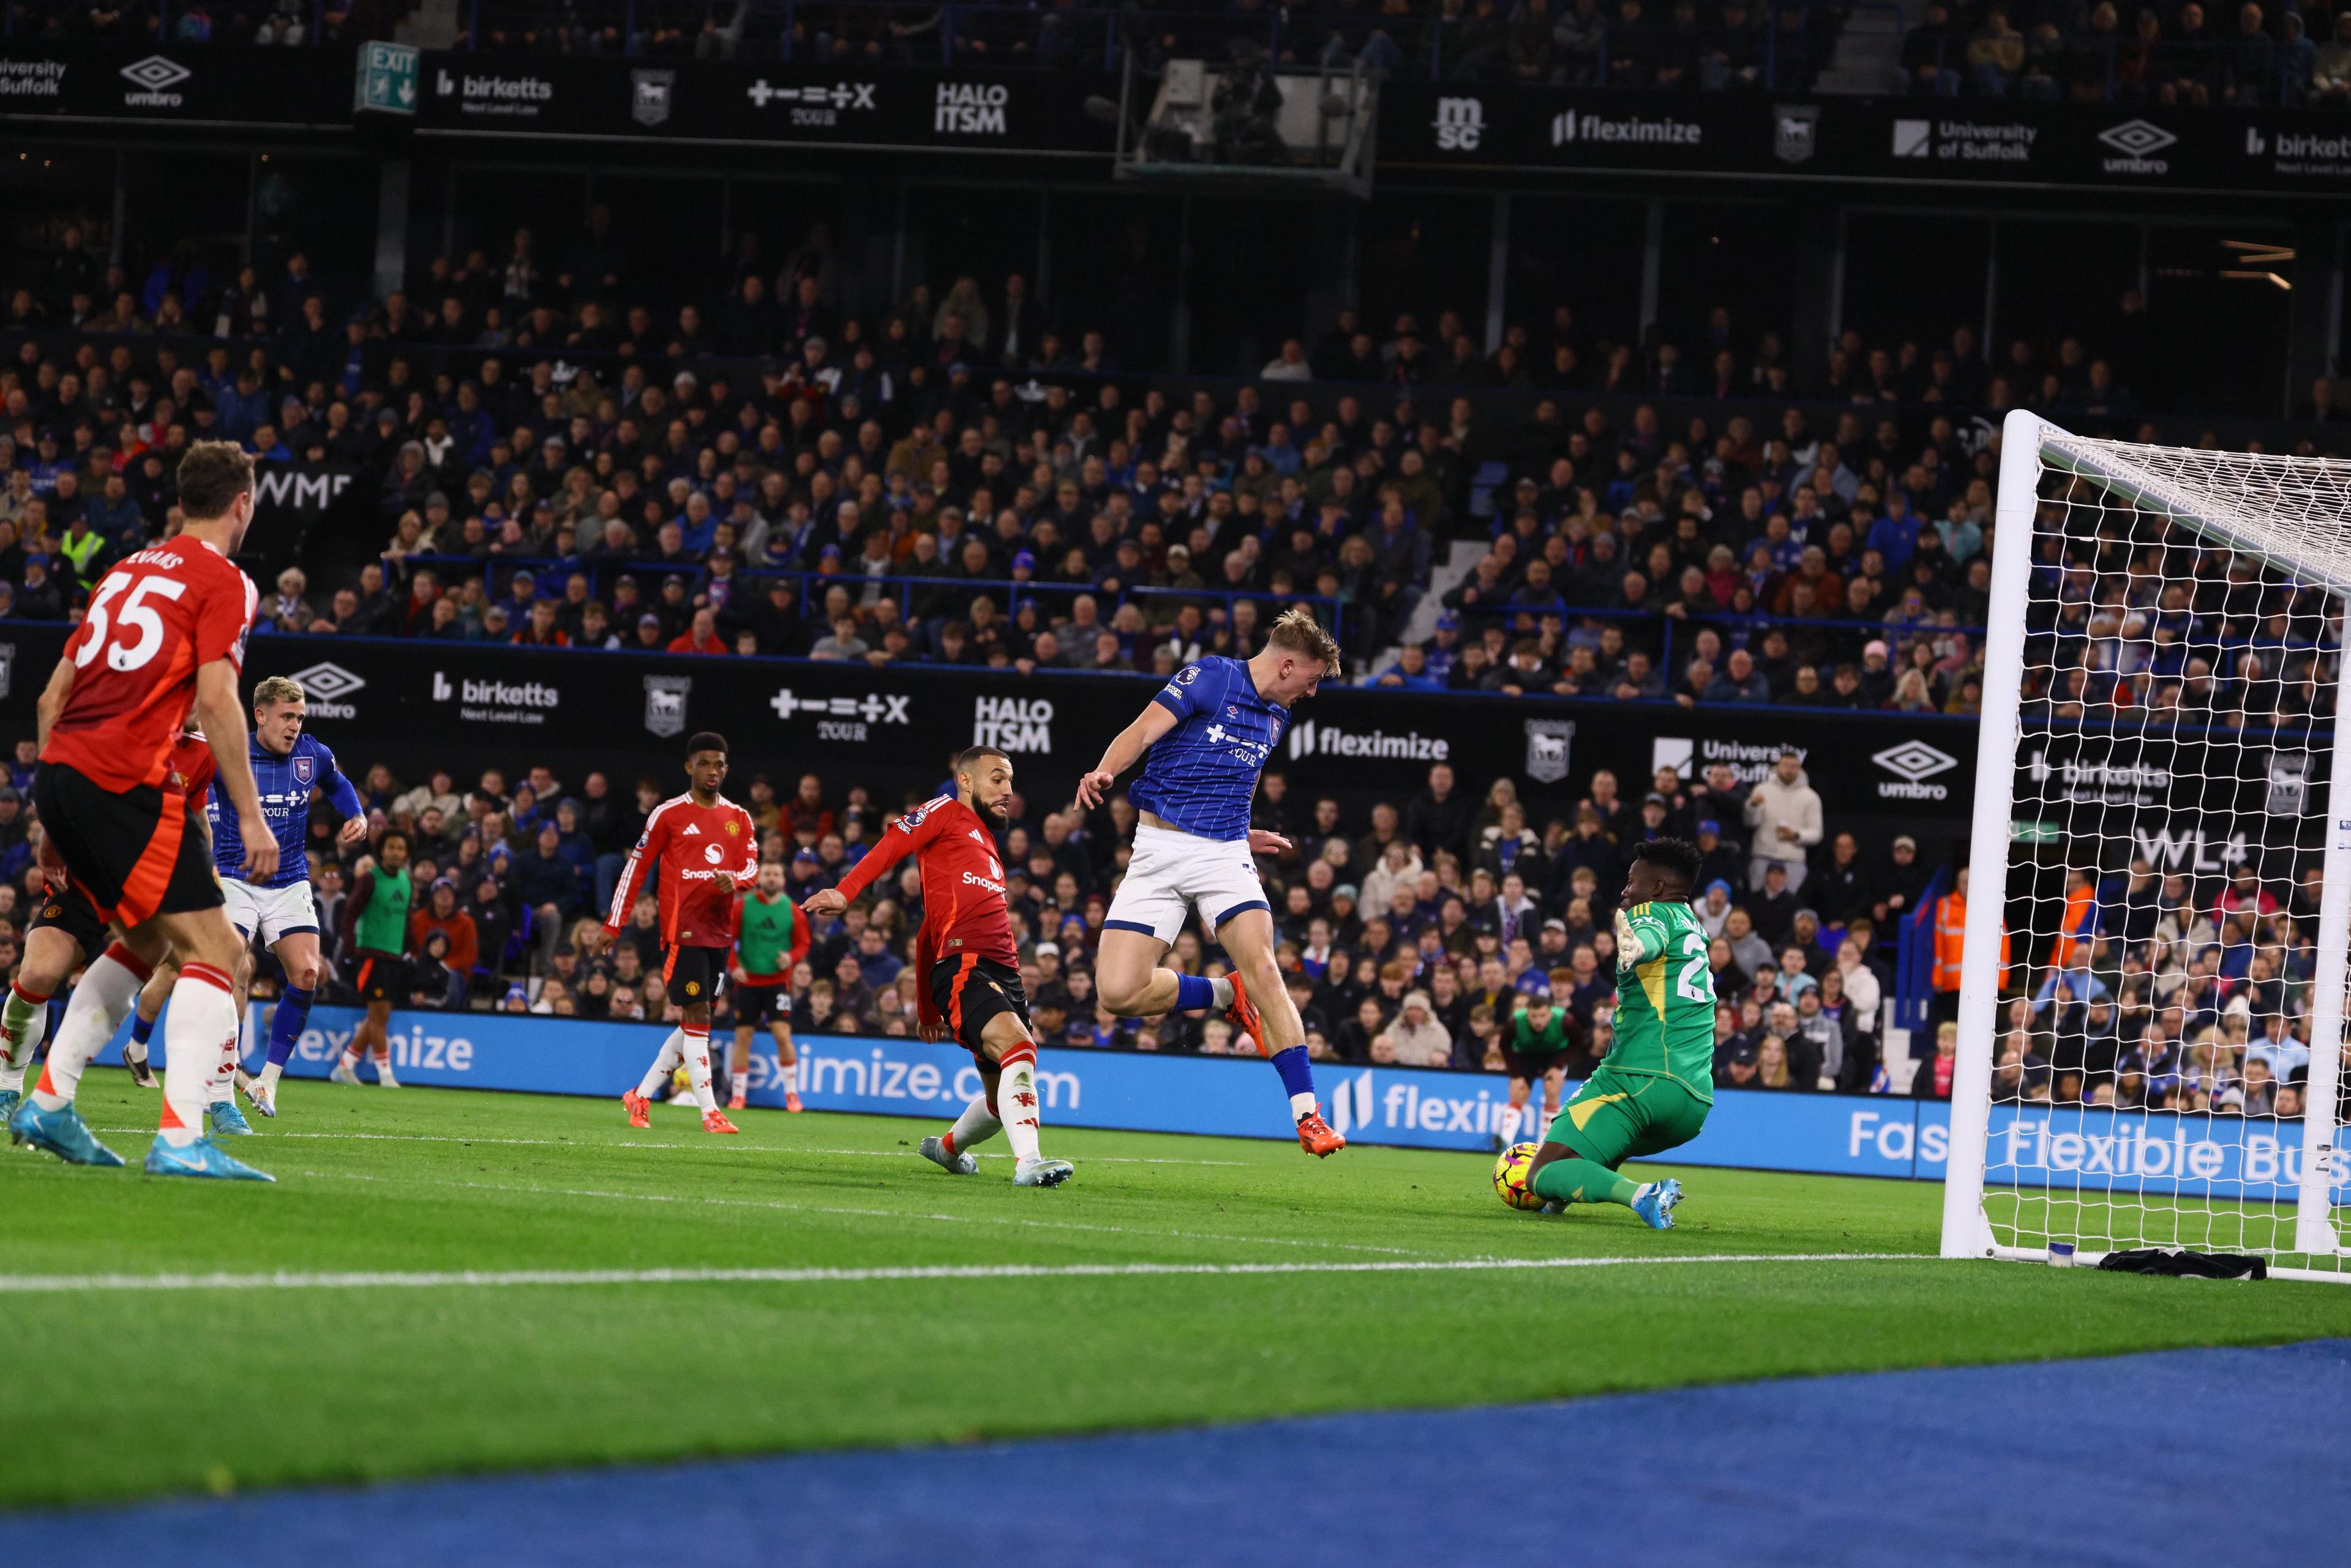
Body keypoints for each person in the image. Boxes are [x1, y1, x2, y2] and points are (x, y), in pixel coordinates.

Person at [7, 441, 279, 1181]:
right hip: (127, 778)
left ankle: (51, 1104)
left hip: (62, 772)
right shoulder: (226, 581)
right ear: (242, 505)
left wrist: (52, 814)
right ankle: (181, 1137)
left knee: (148, 937)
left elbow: (48, 698)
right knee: (219, 951)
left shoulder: (124, 570)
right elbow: (219, 699)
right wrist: (251, 817)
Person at [1075, 607, 1347, 1157]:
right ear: (1289, 664)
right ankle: (1225, 993)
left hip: (1223, 854)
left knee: (1266, 965)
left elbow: (1234, 782)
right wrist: (1107, 769)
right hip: (1156, 850)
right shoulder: (1211, 677)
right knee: (1118, 992)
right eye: (1313, 680)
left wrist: (1243, 835)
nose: (1313, 692)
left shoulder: (1278, 715)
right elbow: (1142, 730)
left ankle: (1308, 1115)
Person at [803, 746, 1074, 1187]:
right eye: (998, 779)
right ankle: (1029, 1163)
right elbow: (894, 842)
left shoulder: (984, 841)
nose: (1009, 790)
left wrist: (928, 1013)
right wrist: (846, 890)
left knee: (996, 1098)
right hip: (968, 965)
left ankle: (947, 1150)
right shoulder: (945, 810)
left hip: (1005, 975)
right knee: (1020, 1048)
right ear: (966, 781)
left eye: (1010, 781)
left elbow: (928, 930)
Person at [2, 730, 214, 1114]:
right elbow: (62, 781)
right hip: (83, 880)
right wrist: (49, 842)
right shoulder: (125, 723)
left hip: (143, 886)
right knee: (36, 977)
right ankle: (8, 1085)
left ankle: (216, 1098)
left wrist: (206, 875)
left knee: (222, 961)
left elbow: (196, 817)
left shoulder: (200, 752)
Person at [1518, 838, 1715, 1229]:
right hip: (1693, 1101)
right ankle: (1559, 1201)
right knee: (1587, 1153)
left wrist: (1635, 947)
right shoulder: (1693, 925)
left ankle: (1644, 1196)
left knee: (1539, 1174)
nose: (1625, 891)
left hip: (1639, 1079)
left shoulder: (1652, 913)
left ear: (1657, 887)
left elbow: (1648, 936)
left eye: (1631, 881)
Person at [207, 673, 369, 1118]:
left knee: (306, 973)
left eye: (299, 716)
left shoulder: (312, 753)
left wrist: (357, 816)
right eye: (286, 715)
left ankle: (267, 1082)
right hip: (235, 877)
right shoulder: (228, 752)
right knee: (225, 970)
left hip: (290, 880)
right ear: (260, 715)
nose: (294, 724)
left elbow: (338, 784)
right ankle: (217, 1077)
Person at [585, 732, 757, 1136]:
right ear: (689, 767)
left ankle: (640, 1095)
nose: (712, 771)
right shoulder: (669, 814)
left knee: (695, 1022)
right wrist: (614, 922)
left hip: (719, 934)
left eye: (719, 764)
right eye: (704, 763)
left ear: (726, 769)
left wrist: (736, 880)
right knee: (697, 1019)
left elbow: (752, 866)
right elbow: (636, 868)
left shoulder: (739, 817)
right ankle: (710, 1112)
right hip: (683, 931)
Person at [332, 830, 413, 1089]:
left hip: (395, 956)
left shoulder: (406, 882)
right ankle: (386, 1074)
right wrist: (350, 947)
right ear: (382, 851)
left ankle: (345, 1066)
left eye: (401, 848)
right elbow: (350, 913)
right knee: (379, 1016)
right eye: (391, 847)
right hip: (370, 955)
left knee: (379, 1015)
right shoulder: (369, 880)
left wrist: (413, 950)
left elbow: (406, 920)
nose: (396, 853)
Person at [729, 858, 809, 1112]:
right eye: (768, 874)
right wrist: (734, 967)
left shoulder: (792, 910)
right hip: (748, 981)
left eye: (776, 874)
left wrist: (791, 958)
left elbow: (803, 944)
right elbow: (728, 938)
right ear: (759, 878)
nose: (772, 878)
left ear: (783, 880)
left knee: (782, 1036)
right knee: (743, 1036)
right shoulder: (742, 907)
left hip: (777, 982)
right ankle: (738, 1096)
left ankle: (792, 1094)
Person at [1494, 989, 1573, 1152]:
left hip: (1555, 1055)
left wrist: (1559, 1066)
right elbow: (1505, 1046)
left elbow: (1577, 1043)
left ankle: (1545, 1143)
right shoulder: (1515, 1022)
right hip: (1525, 1055)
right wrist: (1516, 1074)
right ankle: (1506, 1139)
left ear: (1550, 1013)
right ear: (1527, 1013)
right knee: (1519, 1090)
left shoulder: (1565, 1020)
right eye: (1534, 1016)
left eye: (1543, 1016)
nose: (1538, 1021)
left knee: (1552, 1089)